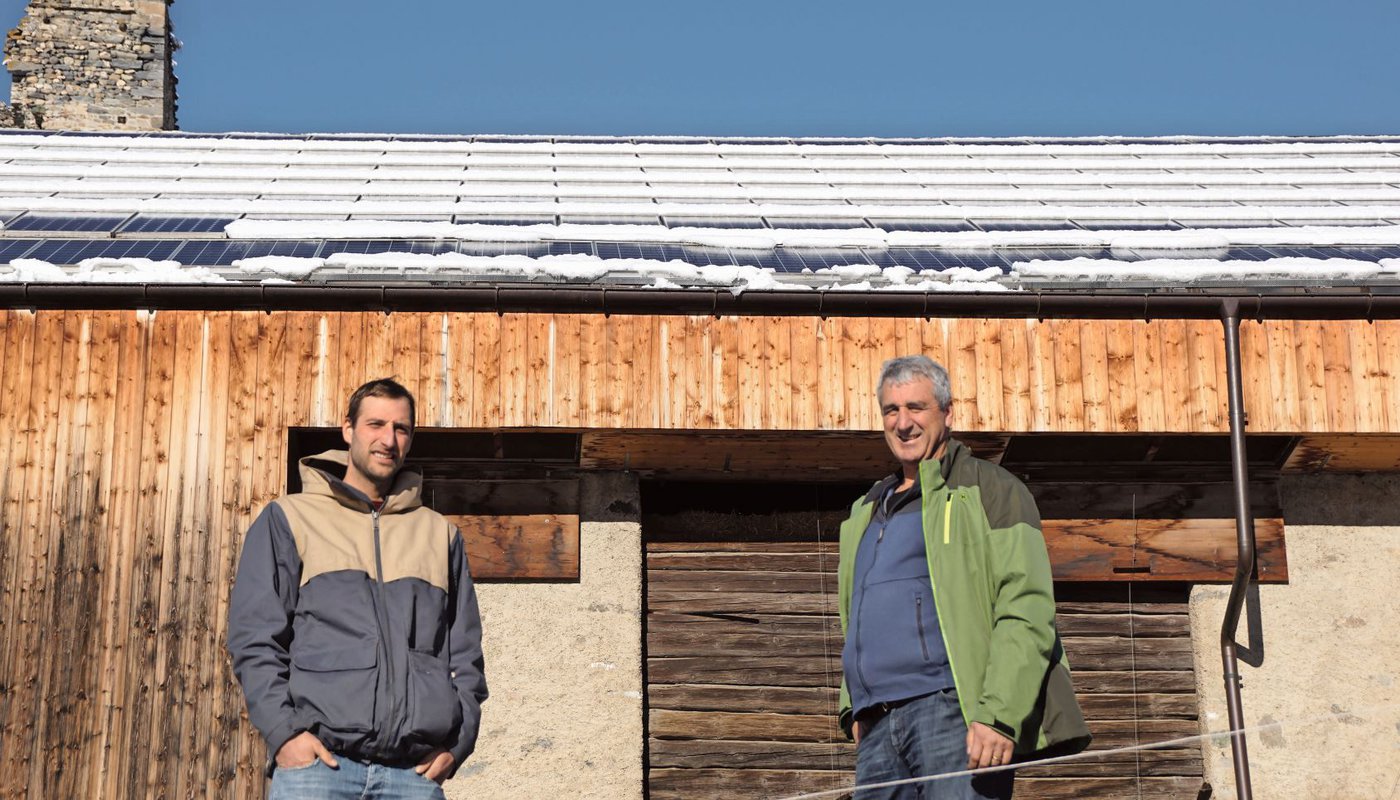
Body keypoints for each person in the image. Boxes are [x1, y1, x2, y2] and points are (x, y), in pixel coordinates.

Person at [837, 356, 1089, 799]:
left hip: (954, 709)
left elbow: (1026, 606)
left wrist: (998, 714)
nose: (903, 423)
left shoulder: (990, 489)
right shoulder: (865, 511)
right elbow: (855, 619)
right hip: (876, 725)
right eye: (891, 411)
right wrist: (851, 707)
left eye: (916, 408)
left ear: (947, 413)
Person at [227, 378, 488, 799]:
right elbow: (255, 638)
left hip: (413, 777)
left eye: (401, 429)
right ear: (348, 430)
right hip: (318, 769)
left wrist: (456, 747)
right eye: (376, 424)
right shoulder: (290, 518)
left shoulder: (440, 535)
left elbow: (465, 655)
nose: (388, 439)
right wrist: (284, 734)